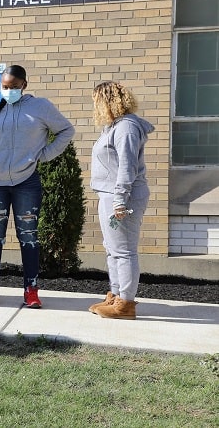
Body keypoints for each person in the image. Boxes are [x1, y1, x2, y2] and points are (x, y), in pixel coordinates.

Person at [0, 65, 74, 308]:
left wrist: (44, 155)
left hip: (26, 182)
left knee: (29, 237)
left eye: (13, 86)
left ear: (24, 85)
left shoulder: (40, 107)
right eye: (4, 86)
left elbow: (66, 130)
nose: (8, 90)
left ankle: (31, 290)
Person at [88, 81, 153, 320]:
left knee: (124, 251)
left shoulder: (126, 128)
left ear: (107, 101)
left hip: (123, 197)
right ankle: (115, 296)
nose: (95, 107)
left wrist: (119, 200)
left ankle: (125, 304)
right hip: (110, 194)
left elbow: (127, 167)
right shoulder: (114, 127)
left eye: (96, 101)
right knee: (112, 249)